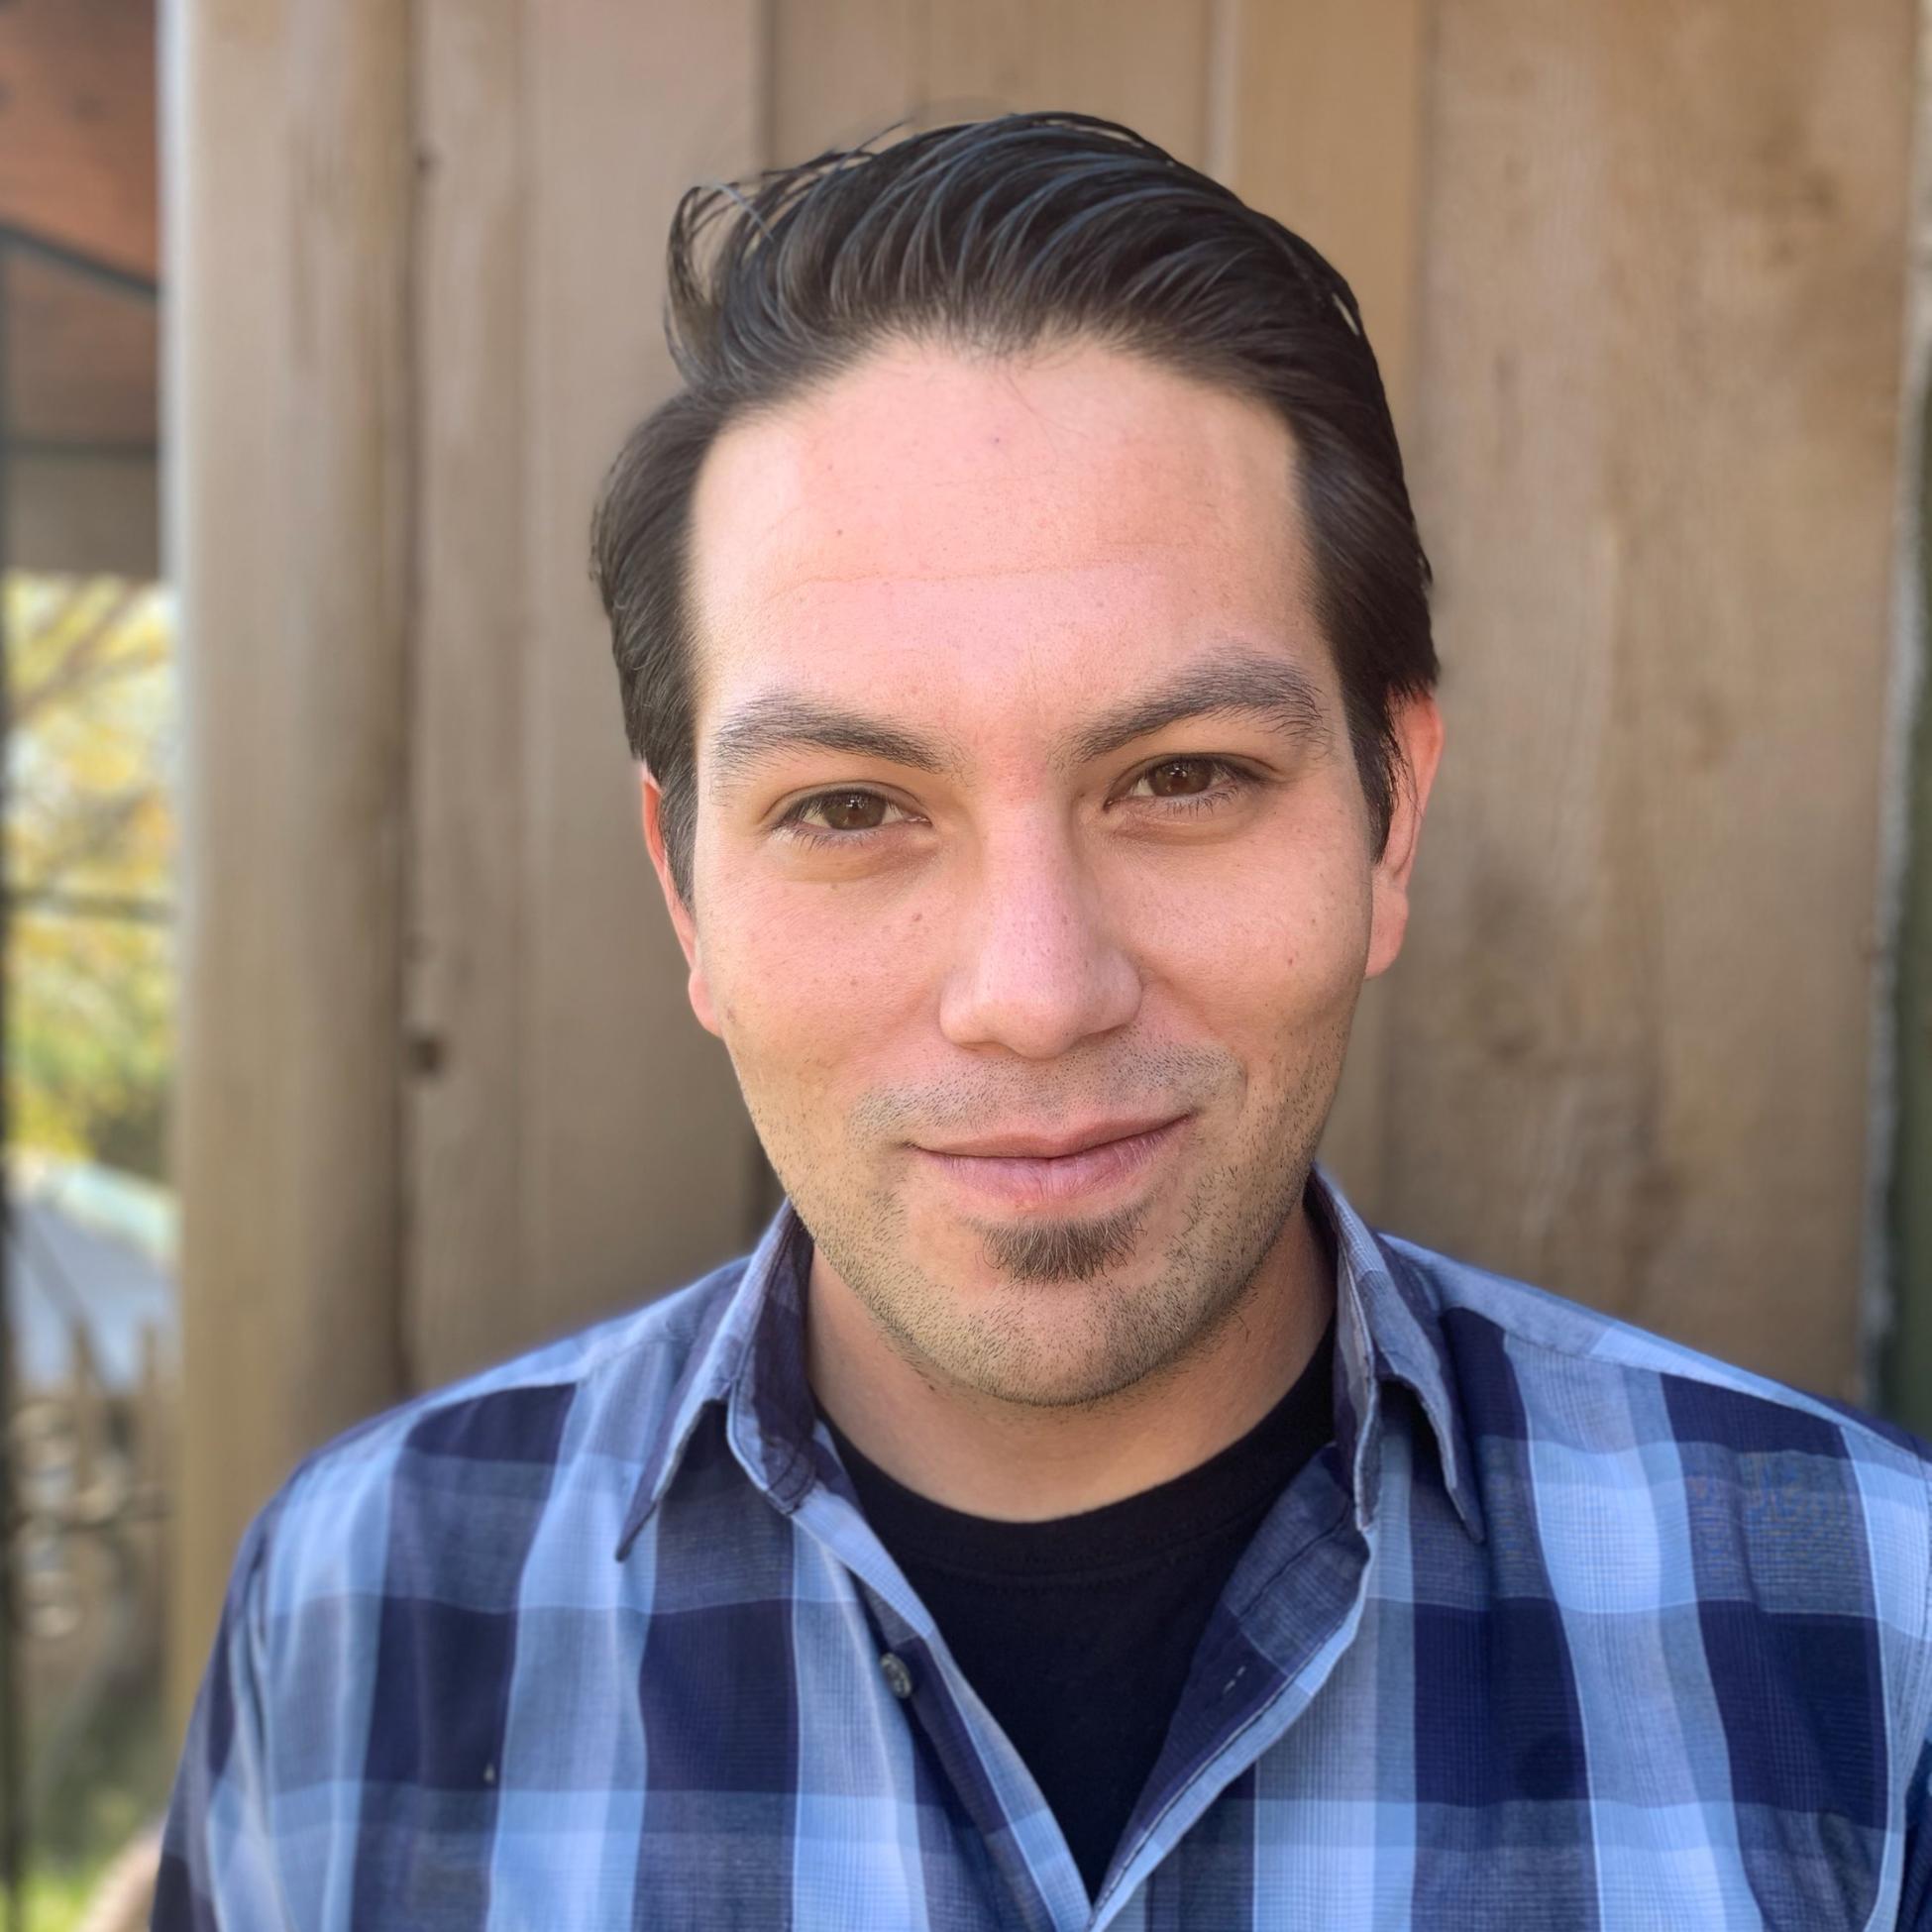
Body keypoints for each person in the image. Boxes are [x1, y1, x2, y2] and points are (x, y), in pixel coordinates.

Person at [155, 112, 1932, 1930]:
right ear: (686, 888)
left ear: (1388, 816)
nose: (1032, 990)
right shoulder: (361, 1615)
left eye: (1181, 776)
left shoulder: (1871, 1631)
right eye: (849, 806)